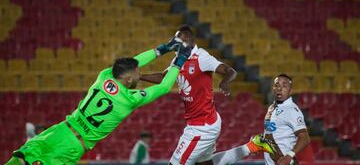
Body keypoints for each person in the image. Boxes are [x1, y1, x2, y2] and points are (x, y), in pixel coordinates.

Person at [5, 38, 192, 165]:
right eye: (137, 74)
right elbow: (164, 87)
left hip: (60, 130)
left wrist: (165, 47)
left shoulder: (104, 76)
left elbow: (131, 62)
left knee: (21, 158)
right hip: (72, 146)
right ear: (128, 80)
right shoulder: (130, 99)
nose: (139, 75)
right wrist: (180, 58)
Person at [140, 25, 275, 165]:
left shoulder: (201, 58)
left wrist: (225, 82)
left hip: (201, 128)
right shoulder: (178, 60)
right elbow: (163, 77)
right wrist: (139, 76)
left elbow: (230, 71)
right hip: (206, 121)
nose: (173, 42)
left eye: (177, 39)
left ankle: (253, 146)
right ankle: (253, 146)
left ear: (188, 42)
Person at [212, 74, 311, 165]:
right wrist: (262, 139)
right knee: (247, 148)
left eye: (284, 86)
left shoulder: (291, 110)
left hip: (284, 161)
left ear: (290, 91)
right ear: (273, 88)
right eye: (277, 85)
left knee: (246, 149)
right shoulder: (272, 107)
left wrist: (289, 155)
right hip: (271, 161)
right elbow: (275, 133)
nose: (280, 89)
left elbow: (305, 138)